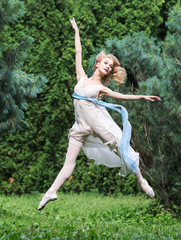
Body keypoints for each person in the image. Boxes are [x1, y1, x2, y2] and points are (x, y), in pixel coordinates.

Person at [38, 18, 161, 210]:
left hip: (98, 124)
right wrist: (76, 31)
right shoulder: (81, 78)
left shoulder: (100, 88)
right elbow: (78, 52)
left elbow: (121, 96)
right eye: (105, 62)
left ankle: (141, 181)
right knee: (68, 163)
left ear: (109, 72)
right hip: (80, 126)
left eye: (111, 66)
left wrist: (143, 97)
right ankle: (51, 192)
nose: (108, 66)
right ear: (97, 64)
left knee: (122, 147)